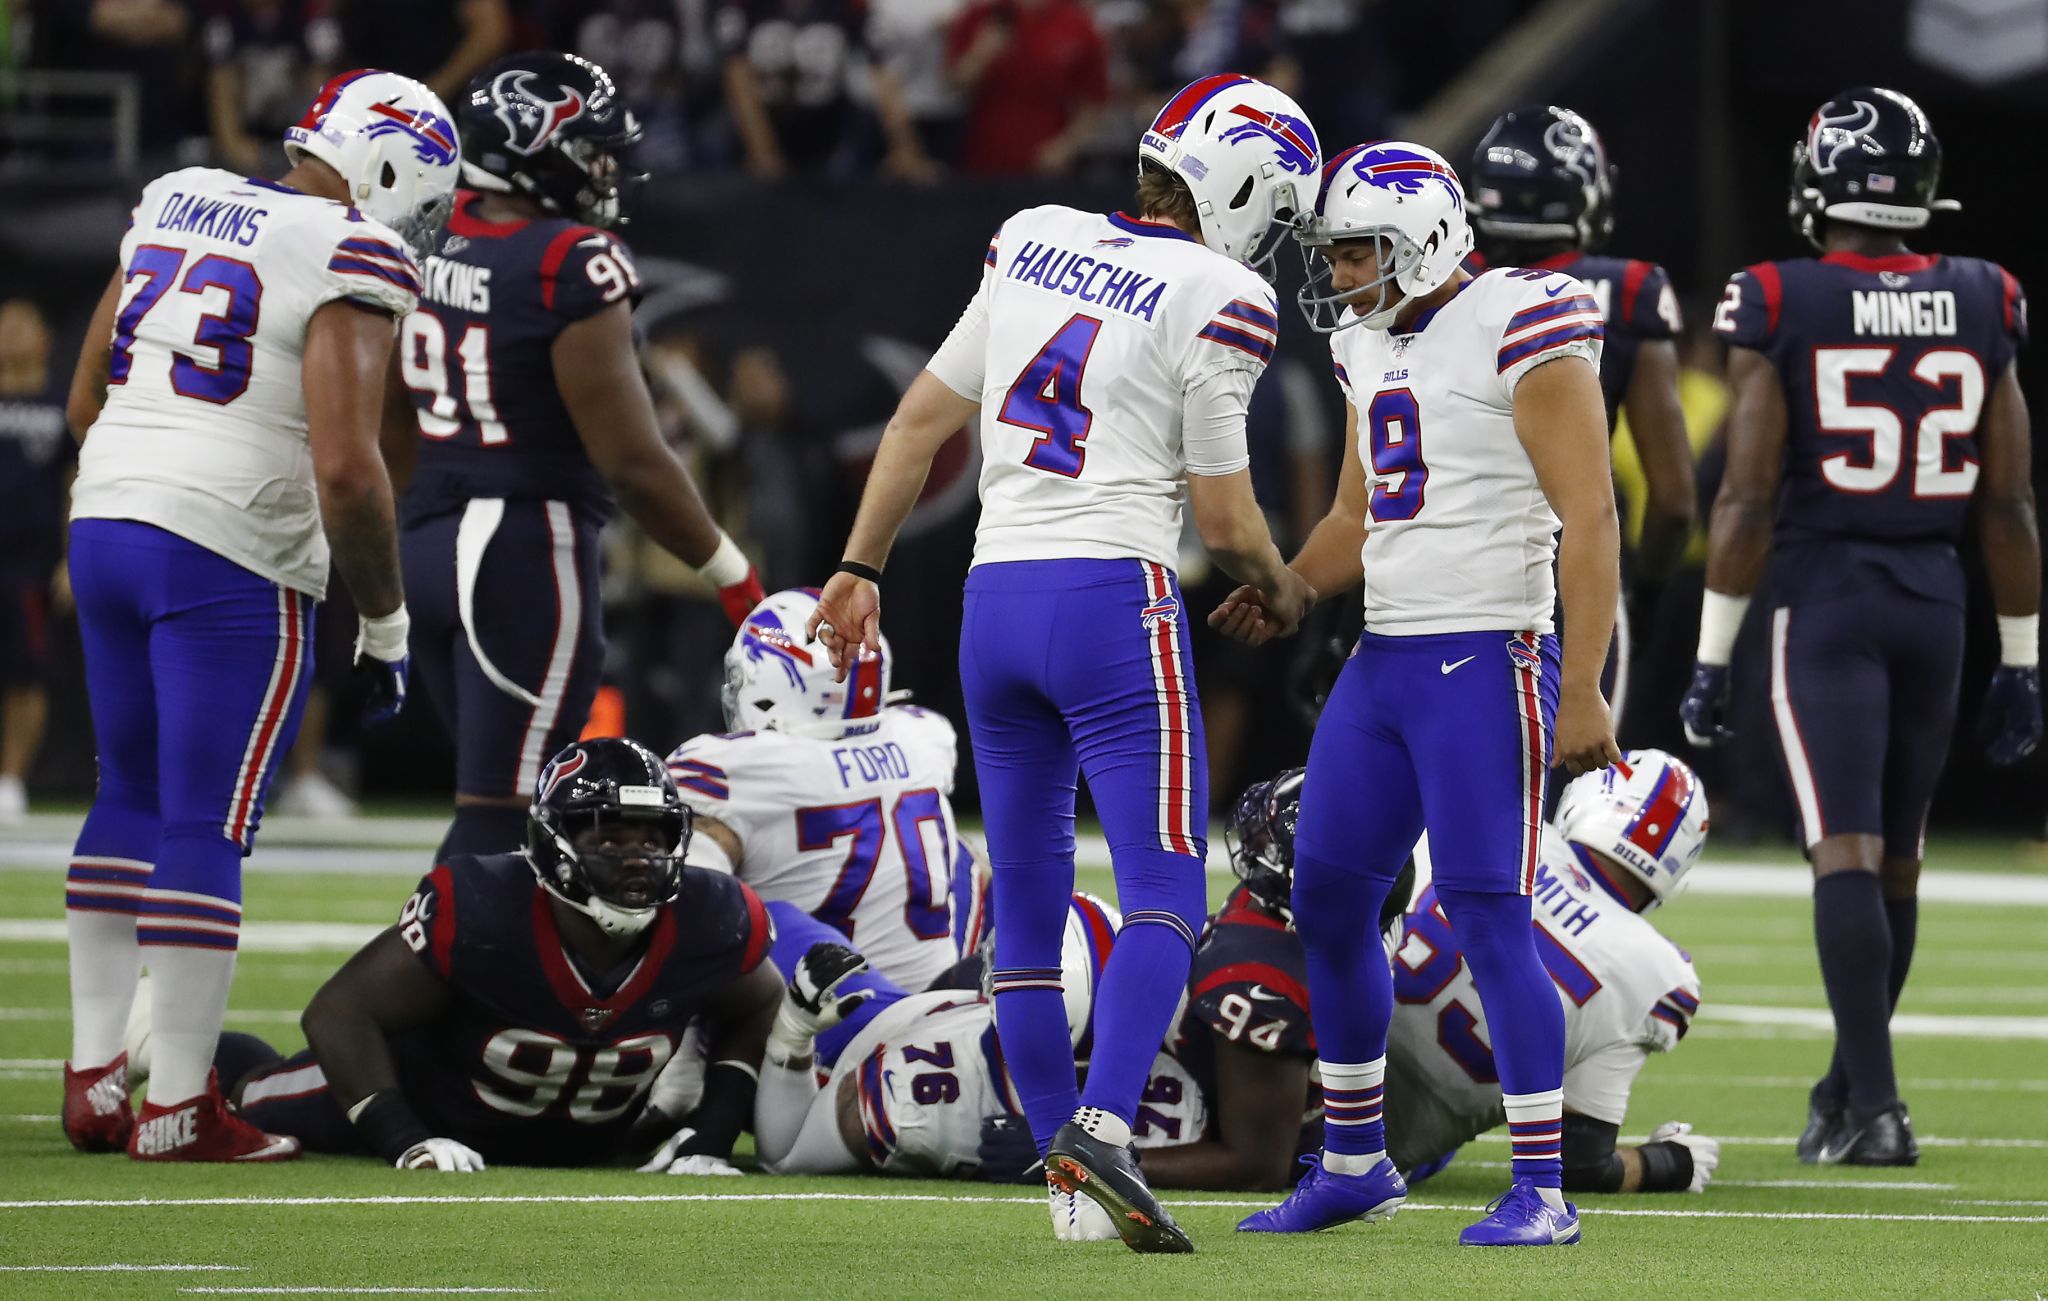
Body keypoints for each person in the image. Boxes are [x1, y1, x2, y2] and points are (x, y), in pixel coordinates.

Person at [808, 74, 1323, 1251]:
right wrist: (1284, 588)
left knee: (1029, 901)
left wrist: (860, 567)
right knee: (1163, 887)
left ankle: (1060, 1183)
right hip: (1111, 601)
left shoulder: (1034, 238)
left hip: (993, 601)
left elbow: (916, 424)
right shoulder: (1220, 291)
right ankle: (1101, 1122)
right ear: (1243, 186)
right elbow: (1229, 520)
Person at [57, 69, 458, 1161]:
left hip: (108, 518)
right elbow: (348, 469)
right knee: (206, 821)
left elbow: (84, 398)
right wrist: (385, 618)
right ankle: (180, 1104)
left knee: (125, 791)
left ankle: (95, 1074)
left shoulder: (177, 191)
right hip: (229, 545)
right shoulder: (352, 248)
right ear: (387, 163)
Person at [1225, 140, 1620, 1247]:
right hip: (1386, 652)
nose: (1341, 272)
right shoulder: (1363, 340)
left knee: (1489, 907)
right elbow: (1359, 510)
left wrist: (1580, 684)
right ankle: (1353, 1156)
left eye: (1358, 249)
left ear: (1428, 237)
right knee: (1329, 898)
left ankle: (1540, 1185)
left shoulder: (1518, 316)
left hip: (1487, 652)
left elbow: (1589, 514)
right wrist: (1294, 583)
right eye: (1337, 251)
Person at [1681, 87, 2040, 1166]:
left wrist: (1708, 652)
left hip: (1827, 595)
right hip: (1936, 600)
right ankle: (1845, 1087)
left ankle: (1877, 1107)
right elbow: (2009, 502)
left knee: (1841, 848)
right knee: (1896, 862)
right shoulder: (1984, 295)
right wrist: (2021, 657)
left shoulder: (1777, 297)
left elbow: (1743, 498)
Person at [391, 52, 764, 864]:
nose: (605, 170)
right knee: (507, 815)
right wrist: (730, 569)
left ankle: (484, 986)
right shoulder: (568, 261)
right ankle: (418, 987)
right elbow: (633, 460)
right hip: (521, 548)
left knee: (497, 798)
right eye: (591, 150)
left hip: (423, 535)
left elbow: (386, 402)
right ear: (536, 146)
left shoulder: (417, 227)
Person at [133, 738, 781, 1172]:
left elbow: (761, 1004)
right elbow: (339, 1012)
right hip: (424, 1097)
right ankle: (152, 1043)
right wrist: (403, 1135)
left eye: (652, 836)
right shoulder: (485, 906)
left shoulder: (710, 916)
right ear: (553, 842)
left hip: (576, 1135)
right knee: (256, 1089)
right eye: (610, 837)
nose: (636, 856)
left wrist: (714, 1131)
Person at [1389, 751, 1716, 1195]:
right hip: (1353, 1150)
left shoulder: (1487, 815)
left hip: (1283, 1054)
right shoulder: (1657, 975)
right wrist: (1668, 1164)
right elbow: (1580, 1161)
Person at [1467, 106, 1696, 731]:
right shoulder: (1626, 291)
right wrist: (1644, 591)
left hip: (1449, 562)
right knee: (1572, 807)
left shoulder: (1441, 288)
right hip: (1575, 561)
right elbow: (1674, 498)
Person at [666, 588, 980, 992]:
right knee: (967, 861)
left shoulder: (735, 768)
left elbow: (686, 916)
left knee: (707, 914)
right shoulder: (923, 734)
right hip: (936, 999)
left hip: (832, 1017)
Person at [0, 300, 74, 825]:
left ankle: (11, 781)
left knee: (25, 674)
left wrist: (73, 559)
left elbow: (76, 484)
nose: (11, 333)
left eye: (23, 324)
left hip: (29, 562)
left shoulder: (61, 407)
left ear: (46, 338)